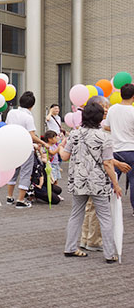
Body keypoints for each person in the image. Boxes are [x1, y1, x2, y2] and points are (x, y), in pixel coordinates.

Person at [59, 102, 122, 263]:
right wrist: (115, 184)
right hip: (98, 182)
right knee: (105, 217)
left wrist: (60, 147)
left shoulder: (74, 134)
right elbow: (108, 163)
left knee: (76, 214)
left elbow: (64, 157)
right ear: (100, 118)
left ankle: (71, 247)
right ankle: (109, 254)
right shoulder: (105, 138)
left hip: (78, 180)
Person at [6, 91, 49, 209]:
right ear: (32, 105)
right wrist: (43, 143)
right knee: (25, 172)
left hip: (12, 147)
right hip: (25, 148)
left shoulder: (11, 112)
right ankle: (20, 200)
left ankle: (9, 197)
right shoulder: (28, 116)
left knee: (13, 172)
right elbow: (32, 136)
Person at [104, 83, 134, 214]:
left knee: (112, 179)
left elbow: (106, 126)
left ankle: (106, 207)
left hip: (115, 151)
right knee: (133, 182)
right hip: (131, 149)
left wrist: (117, 130)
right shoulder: (133, 111)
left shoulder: (112, 109)